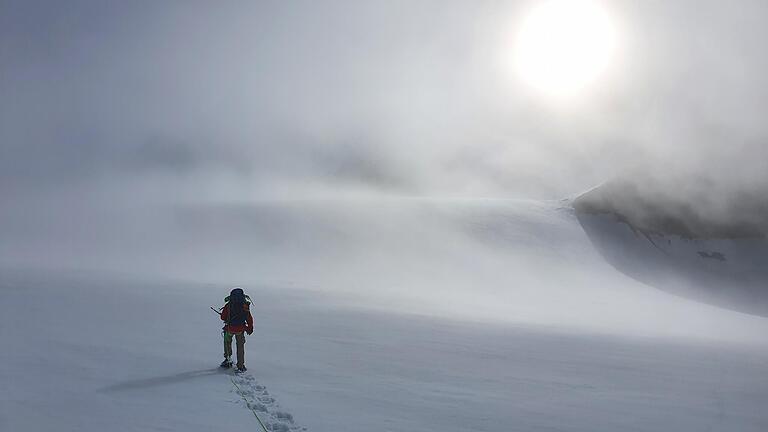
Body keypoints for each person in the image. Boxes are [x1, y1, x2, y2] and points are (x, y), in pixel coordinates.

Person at [219, 287, 253, 372]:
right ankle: (240, 366)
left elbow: (222, 317)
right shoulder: (245, 306)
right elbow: (249, 318)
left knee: (227, 343)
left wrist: (227, 318)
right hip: (240, 330)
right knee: (240, 347)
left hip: (229, 329)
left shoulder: (229, 305)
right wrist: (250, 328)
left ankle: (228, 360)